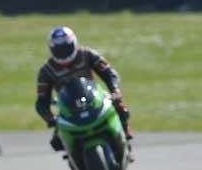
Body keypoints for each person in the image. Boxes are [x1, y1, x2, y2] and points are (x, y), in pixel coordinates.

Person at [35, 26, 134, 160]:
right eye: (59, 49)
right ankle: (73, 156)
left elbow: (109, 73)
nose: (63, 53)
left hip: (94, 97)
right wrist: (50, 117)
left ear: (74, 43)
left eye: (66, 47)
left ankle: (126, 140)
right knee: (56, 142)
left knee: (121, 108)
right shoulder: (47, 70)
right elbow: (42, 100)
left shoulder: (87, 54)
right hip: (68, 107)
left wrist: (115, 90)